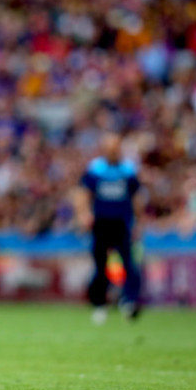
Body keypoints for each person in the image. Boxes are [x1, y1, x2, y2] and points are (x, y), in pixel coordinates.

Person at [74, 133, 143, 324]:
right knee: (100, 265)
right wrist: (84, 214)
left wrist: (138, 221)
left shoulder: (128, 170)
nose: (113, 151)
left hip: (122, 223)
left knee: (129, 263)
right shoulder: (96, 169)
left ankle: (129, 302)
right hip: (101, 223)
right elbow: (82, 193)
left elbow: (137, 197)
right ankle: (99, 305)